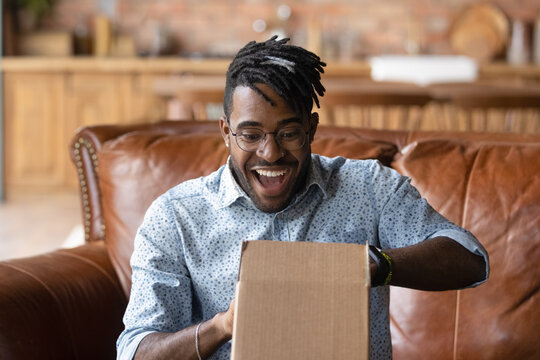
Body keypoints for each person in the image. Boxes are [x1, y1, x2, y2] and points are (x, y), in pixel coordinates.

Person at [117, 37, 489, 360]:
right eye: (250, 135)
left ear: (311, 129)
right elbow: (136, 351)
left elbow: (471, 259)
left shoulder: (368, 188)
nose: (270, 153)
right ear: (226, 132)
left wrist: (374, 264)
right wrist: (222, 327)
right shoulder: (177, 216)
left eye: (289, 132)